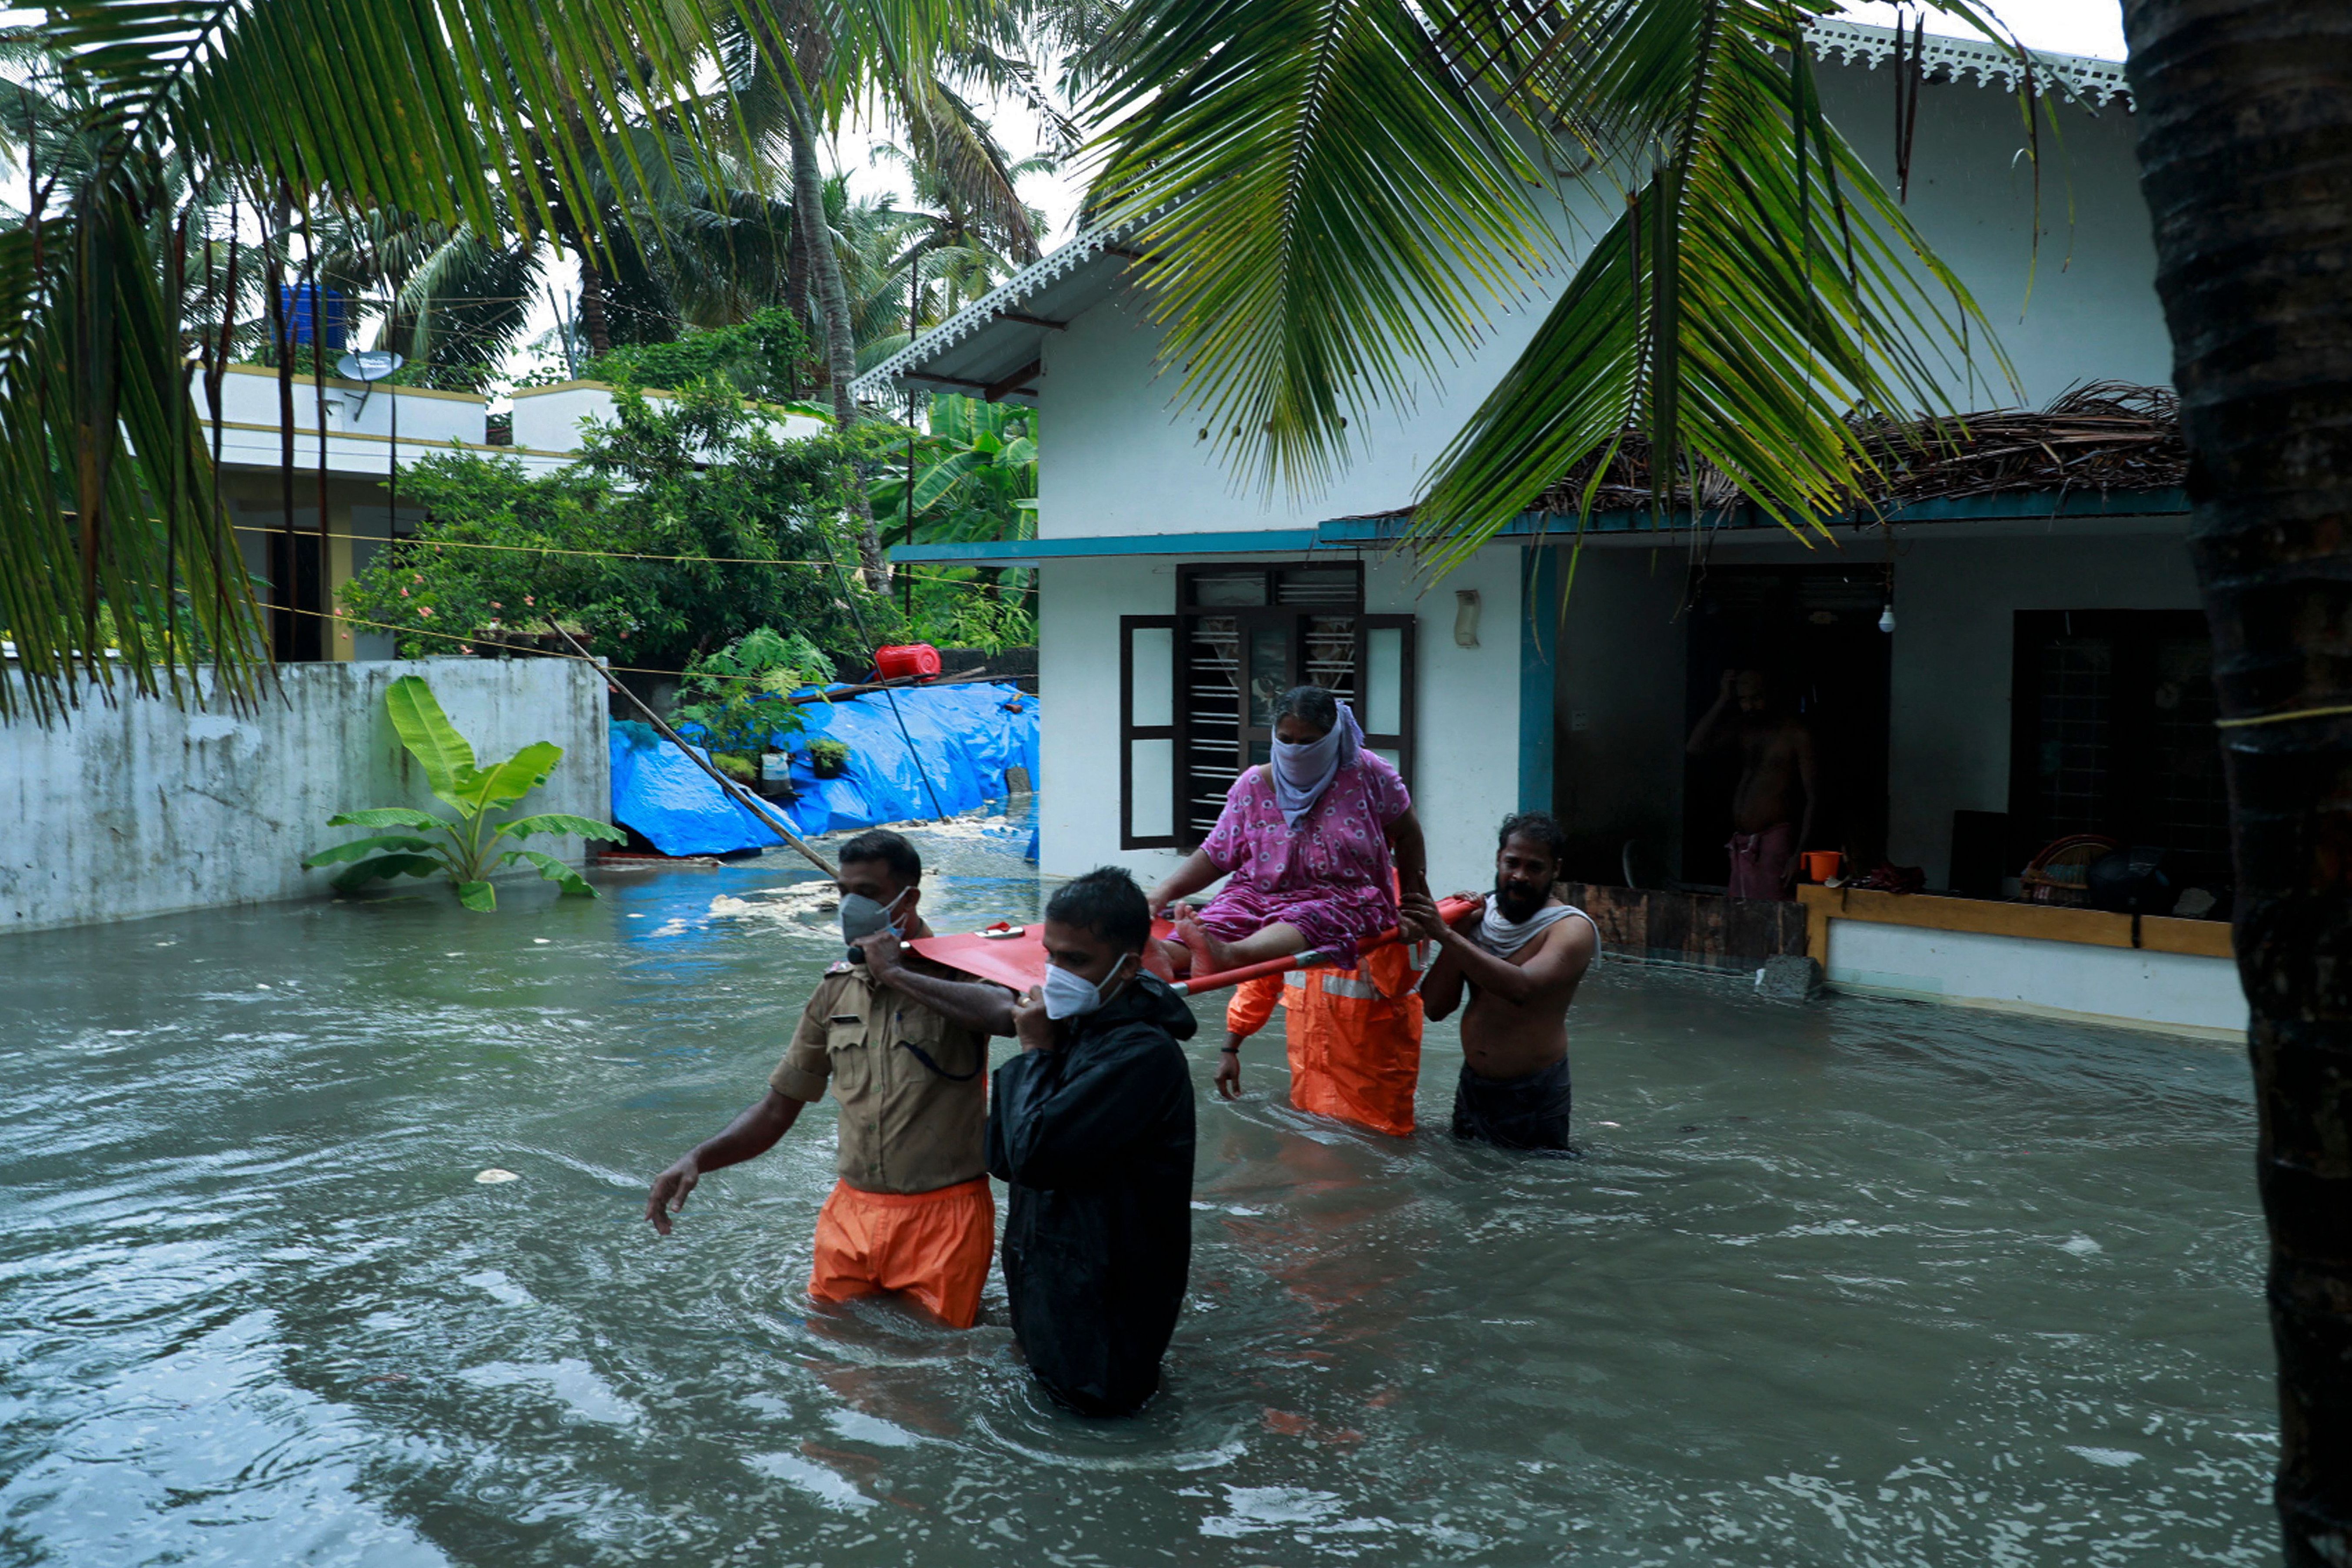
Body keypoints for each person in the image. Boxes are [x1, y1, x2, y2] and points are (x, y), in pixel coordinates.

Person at [643, 830, 1016, 1329]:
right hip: (851, 1211)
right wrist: (698, 1158)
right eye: (844, 892)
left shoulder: (958, 971)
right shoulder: (836, 988)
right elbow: (779, 1107)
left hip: (945, 1216)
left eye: (868, 893)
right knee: (831, 1352)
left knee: (932, 1370)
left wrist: (897, 974)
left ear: (910, 899)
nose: (850, 906)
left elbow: (1007, 1014)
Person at [987, 867, 1197, 1415]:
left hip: (1106, 1300)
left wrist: (1035, 1053)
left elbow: (1032, 1155)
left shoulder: (1141, 1055)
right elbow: (1002, 1156)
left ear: (1128, 967)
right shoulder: (1076, 1029)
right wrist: (1041, 1052)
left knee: (1101, 1424)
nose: (1056, 973)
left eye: (1076, 961)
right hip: (1048, 1277)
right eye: (1051, 955)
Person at [1146, 684, 1429, 977]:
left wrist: (1413, 906)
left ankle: (1229, 955)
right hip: (1257, 893)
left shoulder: (1368, 774)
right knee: (1224, 916)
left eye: (1308, 742)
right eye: (1286, 740)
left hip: (1344, 898)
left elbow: (1408, 833)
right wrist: (1164, 892)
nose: (1295, 751)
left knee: (1307, 917)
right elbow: (1217, 854)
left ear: (1332, 738)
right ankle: (1168, 955)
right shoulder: (1253, 785)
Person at [1400, 812, 1599, 1153]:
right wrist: (1459, 928)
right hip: (1473, 1085)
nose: (1520, 876)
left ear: (1556, 870)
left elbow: (1521, 989)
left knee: (1532, 1195)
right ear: (1498, 859)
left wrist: (1446, 934)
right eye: (1512, 863)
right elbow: (1434, 1007)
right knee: (1469, 1191)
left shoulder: (1570, 929)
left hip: (1534, 1093)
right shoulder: (1478, 918)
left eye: (1535, 868)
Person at [1218, 921, 1432, 1138]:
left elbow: (1398, 982)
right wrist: (1230, 1049)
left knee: (1380, 1147)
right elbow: (1259, 985)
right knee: (1304, 1159)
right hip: (1307, 1096)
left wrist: (1373, 920)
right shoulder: (1291, 920)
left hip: (1374, 1102)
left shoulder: (1387, 918)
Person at [1686, 667, 1819, 900]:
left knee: (1772, 916)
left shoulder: (1796, 734)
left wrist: (1799, 853)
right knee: (1740, 917)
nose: (1750, 706)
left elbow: (1814, 797)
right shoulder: (1744, 729)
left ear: (1773, 694)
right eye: (1744, 700)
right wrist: (1722, 699)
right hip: (1742, 843)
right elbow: (1695, 747)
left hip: (1776, 840)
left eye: (1757, 698)